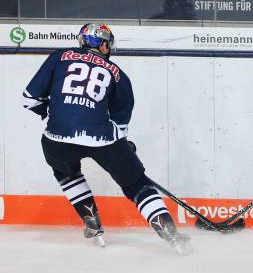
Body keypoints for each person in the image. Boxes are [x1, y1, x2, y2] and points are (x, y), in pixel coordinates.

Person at [21, 23, 191, 254]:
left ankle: (91, 221)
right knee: (136, 183)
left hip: (56, 138)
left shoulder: (59, 57)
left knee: (65, 172)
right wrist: (122, 143)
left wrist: (51, 116)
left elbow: (29, 99)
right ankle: (171, 234)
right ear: (102, 44)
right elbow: (121, 121)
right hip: (102, 138)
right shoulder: (117, 73)